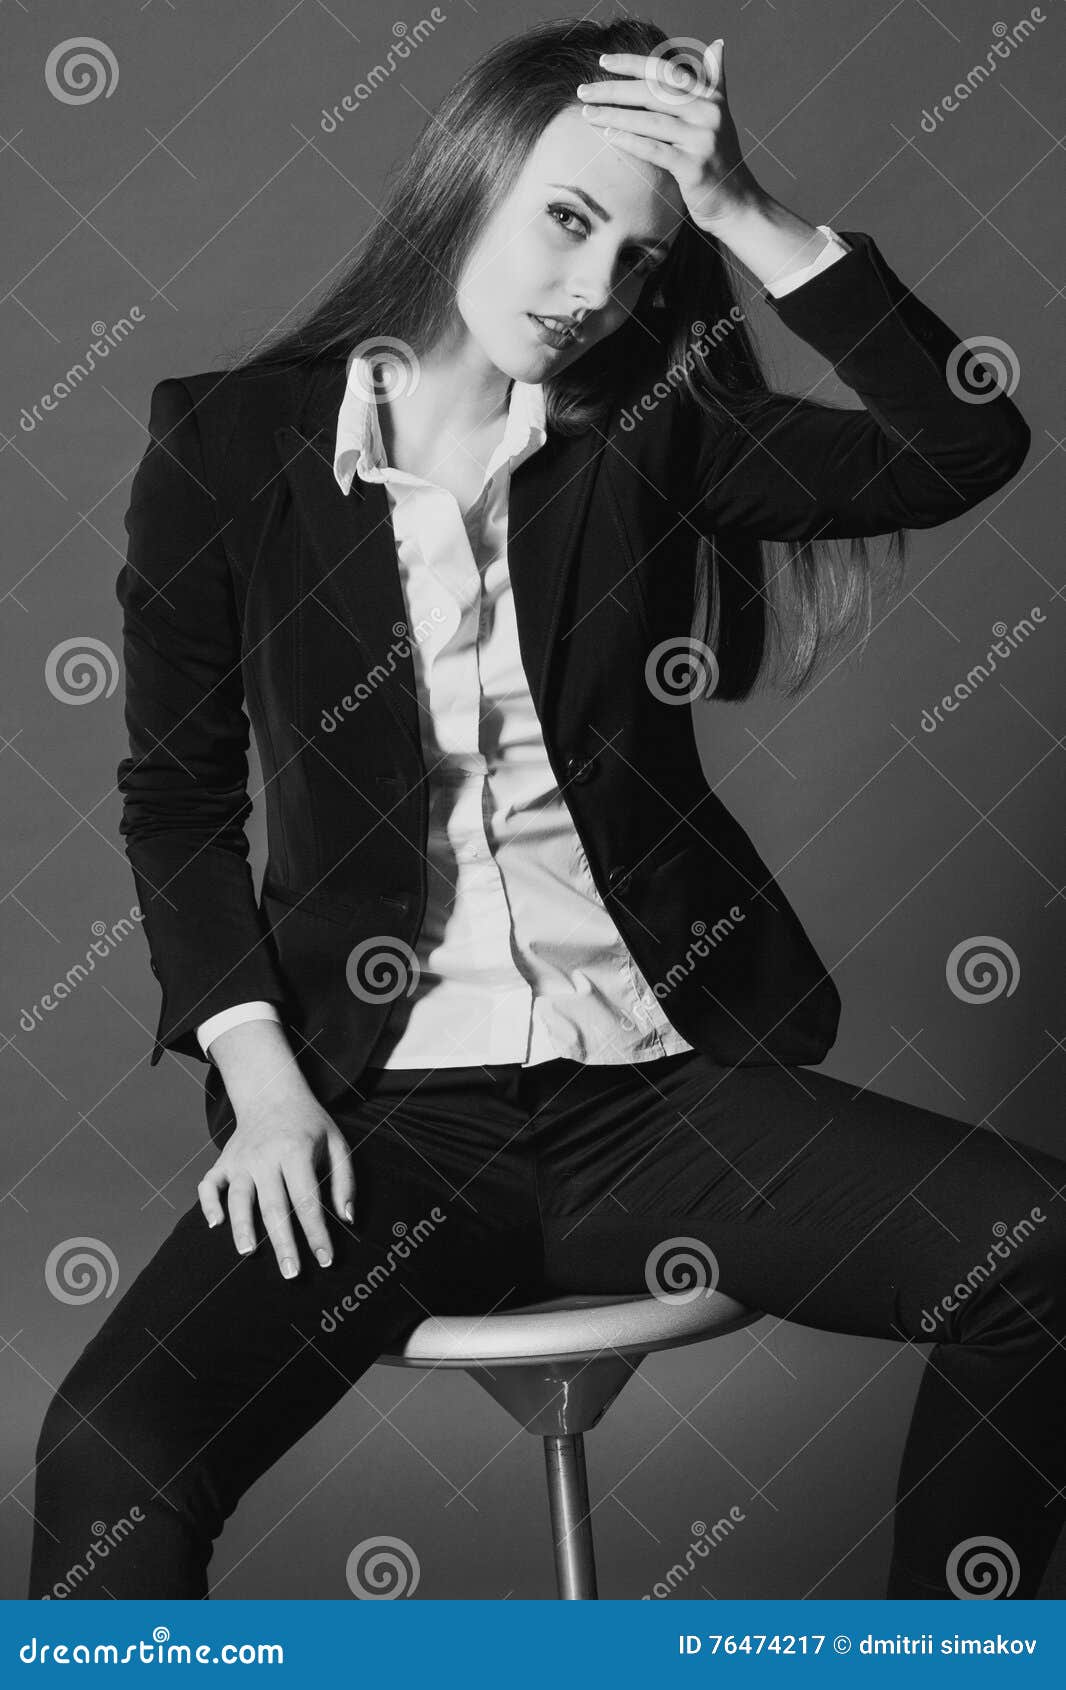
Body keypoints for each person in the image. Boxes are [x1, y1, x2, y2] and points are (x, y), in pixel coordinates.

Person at [29, 18, 1062, 1602]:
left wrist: (741, 210)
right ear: (471, 178)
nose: (592, 290)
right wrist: (261, 1073)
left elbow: (964, 439)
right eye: (567, 219)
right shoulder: (231, 444)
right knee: (112, 1448)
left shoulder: (644, 434)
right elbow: (172, 800)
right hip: (377, 1120)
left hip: (647, 1103)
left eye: (639, 260)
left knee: (1038, 1257)